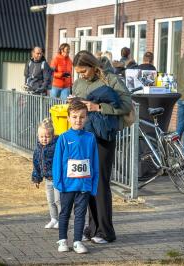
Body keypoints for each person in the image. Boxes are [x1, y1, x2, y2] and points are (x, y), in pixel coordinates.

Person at [71, 50, 132, 244]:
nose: (81, 75)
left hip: (103, 137)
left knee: (101, 183)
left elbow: (126, 106)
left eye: (84, 71)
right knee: (87, 183)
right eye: (79, 72)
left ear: (93, 66)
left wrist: (98, 108)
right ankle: (92, 228)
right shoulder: (79, 83)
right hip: (83, 137)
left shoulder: (111, 79)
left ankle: (106, 232)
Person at [53, 100, 99, 254]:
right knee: (65, 213)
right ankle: (62, 240)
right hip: (67, 185)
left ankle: (78, 241)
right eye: (74, 117)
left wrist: (93, 184)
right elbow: (57, 162)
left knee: (80, 214)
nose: (78, 120)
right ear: (68, 118)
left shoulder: (90, 138)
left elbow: (95, 162)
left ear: (86, 118)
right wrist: (58, 183)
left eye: (81, 117)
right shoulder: (63, 138)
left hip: (84, 185)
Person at [31, 118, 60, 229]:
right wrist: (36, 179)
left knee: (58, 200)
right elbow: (36, 164)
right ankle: (53, 219)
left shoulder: (56, 146)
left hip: (57, 178)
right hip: (47, 179)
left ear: (52, 136)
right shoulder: (38, 149)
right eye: (41, 136)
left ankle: (62, 220)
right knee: (50, 201)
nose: (44, 139)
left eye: (47, 136)